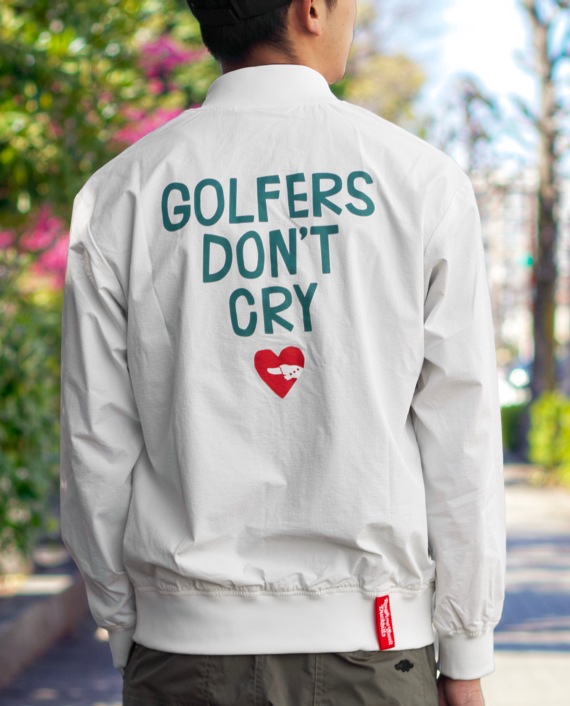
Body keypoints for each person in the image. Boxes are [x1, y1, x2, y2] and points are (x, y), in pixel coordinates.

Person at [59, 1, 506, 705]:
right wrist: (467, 650)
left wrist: (124, 622)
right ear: (311, 10)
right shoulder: (419, 179)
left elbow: (94, 441)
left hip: (181, 652)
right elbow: (462, 434)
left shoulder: (121, 192)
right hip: (374, 650)